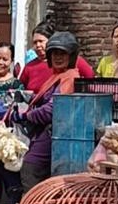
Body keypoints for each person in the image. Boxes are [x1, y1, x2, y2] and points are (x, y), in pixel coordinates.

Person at [12, 31, 79, 194]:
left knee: (30, 166)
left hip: (55, 131)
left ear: (71, 56)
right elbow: (46, 98)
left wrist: (25, 116)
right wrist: (29, 97)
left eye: (63, 53)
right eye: (54, 53)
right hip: (51, 130)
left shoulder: (69, 78)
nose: (58, 57)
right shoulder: (58, 75)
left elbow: (52, 109)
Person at [19, 22, 94, 93]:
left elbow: (90, 80)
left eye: (41, 41)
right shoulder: (30, 66)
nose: (38, 45)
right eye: (35, 42)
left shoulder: (74, 61)